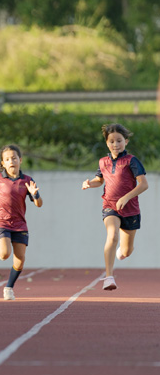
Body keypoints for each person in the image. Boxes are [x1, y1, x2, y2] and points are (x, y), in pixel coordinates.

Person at [82, 123, 148, 291]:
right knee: (112, 236)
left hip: (130, 209)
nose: (115, 144)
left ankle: (121, 252)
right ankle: (108, 277)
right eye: (112, 141)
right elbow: (99, 180)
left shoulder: (131, 161)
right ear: (107, 143)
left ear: (126, 141)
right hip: (110, 205)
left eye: (119, 141)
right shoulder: (103, 162)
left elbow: (143, 185)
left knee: (126, 251)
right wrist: (89, 183)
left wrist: (126, 197)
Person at [0, 144, 43, 300]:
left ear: (20, 160)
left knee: (19, 262)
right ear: (3, 163)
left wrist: (36, 195)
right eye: (7, 159)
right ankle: (1, 245)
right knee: (5, 254)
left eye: (14, 158)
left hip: (19, 224)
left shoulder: (27, 180)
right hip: (1, 221)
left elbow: (39, 204)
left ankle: (9, 287)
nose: (11, 161)